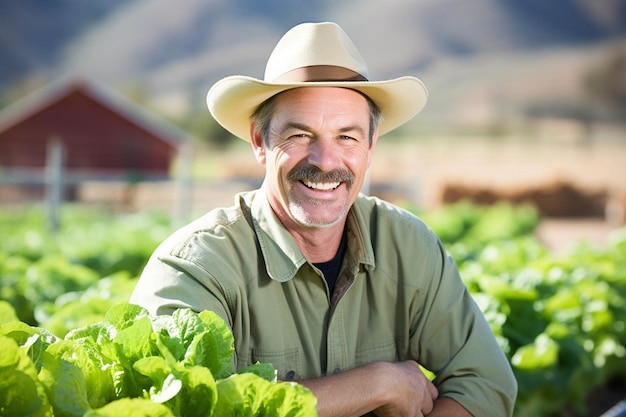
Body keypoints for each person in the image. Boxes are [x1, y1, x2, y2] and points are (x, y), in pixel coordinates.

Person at [130, 21, 517, 417]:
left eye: (346, 137)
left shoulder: (407, 244)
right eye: (299, 136)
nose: (325, 161)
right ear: (260, 142)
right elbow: (188, 408)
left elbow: (484, 384)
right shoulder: (194, 268)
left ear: (370, 146)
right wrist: (377, 383)